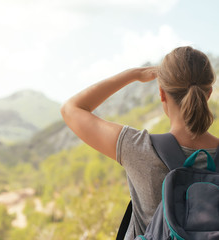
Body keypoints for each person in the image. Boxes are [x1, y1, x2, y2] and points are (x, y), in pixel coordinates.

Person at [60, 46, 219, 239]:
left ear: (161, 94)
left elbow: (71, 109)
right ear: (209, 93)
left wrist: (133, 74)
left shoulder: (138, 147)